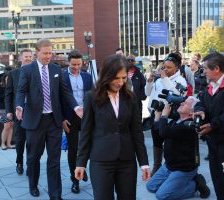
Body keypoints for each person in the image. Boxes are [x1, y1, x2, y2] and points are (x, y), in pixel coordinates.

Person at [75, 54, 150, 200]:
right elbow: (86, 132)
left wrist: (144, 163)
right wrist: (81, 163)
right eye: (116, 78)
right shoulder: (92, 97)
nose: (120, 82)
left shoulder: (131, 98)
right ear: (107, 75)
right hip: (101, 161)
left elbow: (137, 132)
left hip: (127, 161)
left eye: (124, 78)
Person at [15, 39, 82, 200]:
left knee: (54, 160)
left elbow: (65, 92)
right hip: (35, 122)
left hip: (53, 121)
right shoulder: (28, 70)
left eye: (50, 53)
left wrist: (76, 107)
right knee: (33, 158)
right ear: (36, 52)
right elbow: (21, 91)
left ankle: (55, 195)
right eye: (45, 53)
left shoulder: (55, 69)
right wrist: (19, 106)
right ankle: (33, 184)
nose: (48, 56)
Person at [146, 96, 210, 199]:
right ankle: (174, 182)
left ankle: (195, 184)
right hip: (169, 166)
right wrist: (158, 117)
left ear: (192, 112)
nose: (182, 103)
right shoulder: (177, 120)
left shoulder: (189, 126)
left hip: (183, 169)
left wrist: (164, 116)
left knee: (161, 195)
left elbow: (164, 132)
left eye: (186, 104)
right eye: (183, 102)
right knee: (150, 186)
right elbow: (159, 133)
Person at [145, 53, 187, 175]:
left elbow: (177, 94)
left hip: (171, 116)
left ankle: (169, 167)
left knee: (169, 143)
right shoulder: (159, 80)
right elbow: (148, 93)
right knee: (156, 141)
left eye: (169, 67)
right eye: (164, 67)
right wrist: (149, 81)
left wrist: (164, 78)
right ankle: (156, 165)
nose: (165, 69)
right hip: (155, 114)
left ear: (177, 68)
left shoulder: (181, 80)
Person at [61, 49, 93, 194]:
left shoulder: (87, 77)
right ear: (68, 62)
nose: (76, 67)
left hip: (86, 116)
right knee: (73, 149)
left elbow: (92, 97)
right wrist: (62, 119)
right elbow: (57, 100)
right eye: (73, 64)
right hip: (70, 118)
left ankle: (82, 168)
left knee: (86, 146)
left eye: (79, 64)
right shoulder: (61, 76)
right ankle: (75, 180)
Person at [194, 52, 224, 200]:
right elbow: (200, 102)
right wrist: (200, 111)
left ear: (216, 68)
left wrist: (213, 125)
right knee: (218, 180)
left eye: (205, 68)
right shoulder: (209, 87)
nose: (203, 71)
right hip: (213, 143)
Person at [5, 49, 33, 175]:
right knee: (20, 140)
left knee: (32, 141)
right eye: (26, 56)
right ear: (21, 58)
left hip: (33, 112)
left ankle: (30, 164)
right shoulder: (13, 74)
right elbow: (8, 94)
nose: (28, 58)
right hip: (18, 113)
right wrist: (9, 111)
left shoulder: (36, 72)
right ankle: (19, 162)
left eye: (30, 56)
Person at [0, 74, 14, 150]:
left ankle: (9, 143)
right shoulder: (1, 87)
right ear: (4, 79)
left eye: (9, 79)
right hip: (4, 109)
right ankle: (2, 144)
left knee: (11, 126)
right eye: (7, 79)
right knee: (6, 126)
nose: (8, 80)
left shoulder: (13, 86)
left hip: (12, 108)